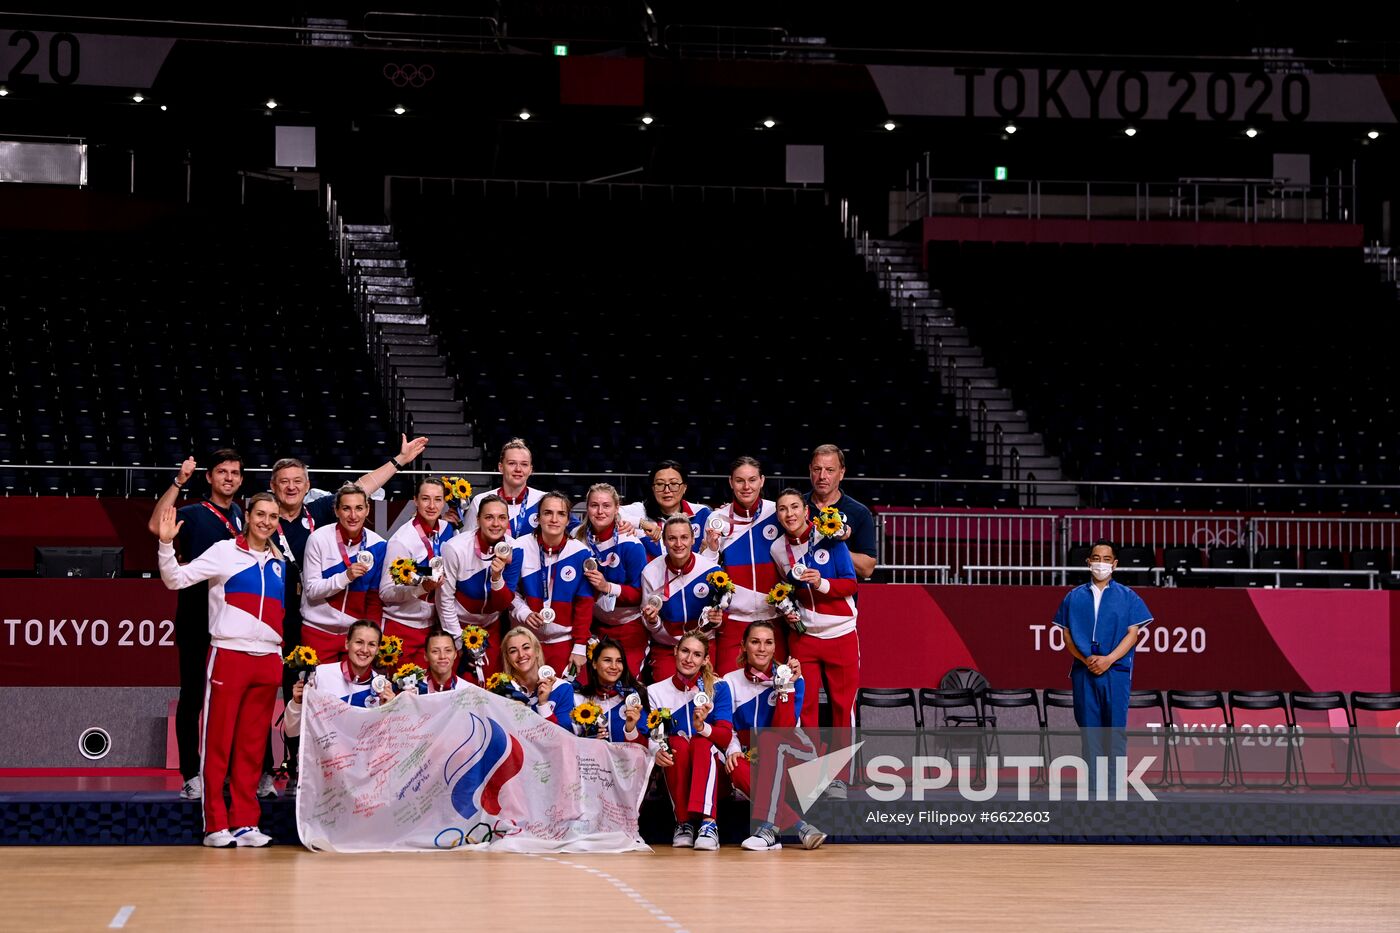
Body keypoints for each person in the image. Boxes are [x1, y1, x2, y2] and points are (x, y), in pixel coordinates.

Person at [262, 435, 427, 783]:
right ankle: (295, 769)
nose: (290, 488)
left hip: (345, 635)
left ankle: (356, 772)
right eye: (283, 483)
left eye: (297, 482)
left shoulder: (321, 517)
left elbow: (362, 486)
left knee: (356, 704)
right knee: (300, 698)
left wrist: (398, 460)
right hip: (291, 620)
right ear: (271, 487)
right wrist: (345, 575)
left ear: (308, 487)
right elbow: (315, 588)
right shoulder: (268, 520)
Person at [156, 492, 283, 848]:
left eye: (273, 516)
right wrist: (166, 545)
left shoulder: (278, 559)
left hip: (268, 660)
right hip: (229, 654)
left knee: (252, 747)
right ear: (248, 517)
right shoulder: (224, 551)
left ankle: (245, 822)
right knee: (218, 742)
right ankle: (215, 825)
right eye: (261, 514)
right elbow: (175, 580)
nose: (267, 522)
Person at [146, 449, 245, 802]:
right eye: (222, 472)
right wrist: (178, 482)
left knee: (229, 700)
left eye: (234, 472)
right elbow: (157, 526)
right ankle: (191, 774)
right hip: (194, 616)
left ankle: (229, 772)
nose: (229, 478)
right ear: (209, 477)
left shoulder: (243, 515)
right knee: (192, 698)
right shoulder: (191, 512)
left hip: (233, 620)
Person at [770, 488, 861, 799]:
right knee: (804, 708)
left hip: (841, 633)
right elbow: (785, 589)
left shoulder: (830, 537)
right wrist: (788, 608)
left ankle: (840, 779)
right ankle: (812, 775)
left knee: (841, 708)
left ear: (806, 511)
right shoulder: (777, 550)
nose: (789, 514)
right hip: (804, 638)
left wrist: (819, 582)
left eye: (795, 507)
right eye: (782, 509)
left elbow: (851, 582)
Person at [1051, 539, 1153, 796]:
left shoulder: (1128, 597)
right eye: (1096, 558)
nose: (1101, 563)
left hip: (1116, 672)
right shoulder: (1073, 597)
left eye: (1107, 559)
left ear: (1115, 564)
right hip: (1085, 672)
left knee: (1115, 731)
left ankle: (1115, 790)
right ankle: (1094, 791)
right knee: (1090, 733)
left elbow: (1133, 634)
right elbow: (1067, 637)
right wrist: (1087, 660)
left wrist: (1109, 659)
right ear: (1088, 562)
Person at [720, 621, 827, 851]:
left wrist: (786, 687)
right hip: (761, 764)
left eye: (768, 642)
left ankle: (768, 828)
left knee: (770, 739)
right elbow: (727, 727)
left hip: (797, 762)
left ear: (775, 647)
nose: (762, 648)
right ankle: (801, 827)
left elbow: (785, 731)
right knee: (736, 765)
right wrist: (733, 749)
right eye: (755, 642)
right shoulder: (729, 681)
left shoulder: (793, 680)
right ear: (743, 646)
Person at [645, 632, 734, 851]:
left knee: (701, 743)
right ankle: (683, 823)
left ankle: (708, 823)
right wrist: (656, 750)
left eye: (697, 654)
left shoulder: (719, 687)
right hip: (678, 772)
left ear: (705, 660)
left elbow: (725, 736)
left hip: (716, 774)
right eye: (685, 651)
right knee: (676, 743)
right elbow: (656, 736)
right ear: (675, 652)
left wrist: (702, 727)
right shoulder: (655, 691)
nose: (689, 659)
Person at [699, 456, 783, 675]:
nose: (746, 487)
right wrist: (712, 548)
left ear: (762, 481)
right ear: (730, 482)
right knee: (728, 689)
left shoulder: (776, 512)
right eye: (740, 481)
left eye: (752, 480)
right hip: (734, 621)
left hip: (774, 619)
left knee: (776, 689)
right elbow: (706, 570)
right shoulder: (717, 518)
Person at [436, 494, 521, 683]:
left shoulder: (515, 548)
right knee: (459, 685)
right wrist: (458, 641)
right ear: (477, 520)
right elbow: (444, 599)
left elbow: (503, 603)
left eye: (502, 518)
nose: (496, 524)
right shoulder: (455, 548)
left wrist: (497, 578)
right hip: (457, 625)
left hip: (492, 626)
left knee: (494, 685)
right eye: (489, 517)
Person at [301, 484, 387, 663]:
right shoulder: (318, 539)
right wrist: (345, 577)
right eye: (346, 508)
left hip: (356, 637)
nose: (353, 516)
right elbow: (311, 590)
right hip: (318, 632)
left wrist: (373, 636)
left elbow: (374, 598)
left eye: (359, 508)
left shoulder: (378, 544)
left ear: (367, 510)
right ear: (336, 510)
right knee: (319, 690)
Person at [510, 492, 593, 674]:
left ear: (568, 520)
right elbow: (509, 592)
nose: (554, 519)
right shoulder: (519, 547)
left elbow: (584, 604)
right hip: (525, 642)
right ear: (538, 518)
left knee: (567, 696)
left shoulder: (580, 553)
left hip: (564, 642)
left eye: (561, 514)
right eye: (548, 513)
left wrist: (579, 646)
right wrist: (523, 612)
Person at [379, 478, 456, 670]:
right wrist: (422, 588)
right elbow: (386, 593)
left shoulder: (448, 530)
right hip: (401, 627)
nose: (432, 506)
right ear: (415, 500)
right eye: (425, 499)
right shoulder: (401, 540)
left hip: (433, 627)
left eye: (438, 499)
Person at [575, 483, 650, 676]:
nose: (600, 511)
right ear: (587, 507)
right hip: (594, 627)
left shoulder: (631, 544)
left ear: (617, 509)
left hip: (629, 627)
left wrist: (607, 586)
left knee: (625, 684)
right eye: (594, 505)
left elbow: (640, 595)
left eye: (606, 506)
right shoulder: (576, 539)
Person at [639, 517, 724, 683]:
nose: (678, 544)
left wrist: (717, 621)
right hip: (667, 648)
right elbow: (647, 621)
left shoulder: (711, 570)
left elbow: (724, 612)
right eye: (672, 538)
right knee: (667, 701)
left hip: (704, 646)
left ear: (693, 539)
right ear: (664, 541)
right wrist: (653, 621)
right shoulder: (650, 573)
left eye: (684, 537)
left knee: (707, 697)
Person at [283, 621, 399, 739]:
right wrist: (296, 703)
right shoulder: (321, 675)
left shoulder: (383, 688)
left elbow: (386, 742)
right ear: (347, 643)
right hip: (324, 755)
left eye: (372, 644)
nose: (365, 650)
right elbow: (291, 731)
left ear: (378, 649)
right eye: (359, 642)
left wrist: (389, 709)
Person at [804, 444, 877, 579]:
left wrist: (835, 544)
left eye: (830, 470)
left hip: (841, 596)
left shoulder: (859, 512)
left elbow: (867, 569)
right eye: (817, 469)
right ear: (810, 470)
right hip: (800, 594)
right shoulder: (796, 508)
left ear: (841, 473)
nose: (822, 476)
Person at [618, 460, 713, 560]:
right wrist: (642, 523)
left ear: (684, 487)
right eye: (660, 484)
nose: (667, 490)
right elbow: (610, 513)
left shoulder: (701, 513)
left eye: (674, 483)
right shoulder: (640, 510)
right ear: (653, 488)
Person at [462, 438, 551, 540]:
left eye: (524, 464)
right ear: (500, 467)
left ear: (530, 470)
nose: (518, 469)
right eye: (512, 463)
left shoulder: (544, 500)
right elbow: (467, 542)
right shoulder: (481, 500)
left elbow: (572, 531)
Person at [571, 637, 648, 743]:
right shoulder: (579, 699)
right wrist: (590, 742)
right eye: (607, 660)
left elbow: (646, 749)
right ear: (594, 663)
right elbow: (569, 743)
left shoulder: (633, 697)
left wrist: (630, 730)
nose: (614, 666)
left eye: (619, 661)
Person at [497, 626, 575, 729]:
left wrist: (543, 704)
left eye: (526, 647)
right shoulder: (502, 691)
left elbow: (563, 736)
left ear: (537, 651)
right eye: (513, 651)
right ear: (507, 658)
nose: (521, 655)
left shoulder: (562, 688)